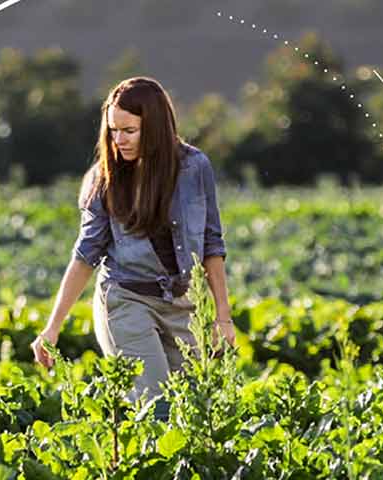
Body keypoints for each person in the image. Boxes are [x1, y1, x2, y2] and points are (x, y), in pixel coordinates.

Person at [30, 76, 235, 419]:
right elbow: (85, 257)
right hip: (125, 300)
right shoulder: (103, 179)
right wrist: (52, 327)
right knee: (157, 408)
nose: (118, 140)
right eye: (113, 130)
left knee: (195, 409)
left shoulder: (195, 167)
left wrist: (223, 317)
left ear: (154, 127)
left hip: (180, 303)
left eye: (129, 130)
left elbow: (212, 243)